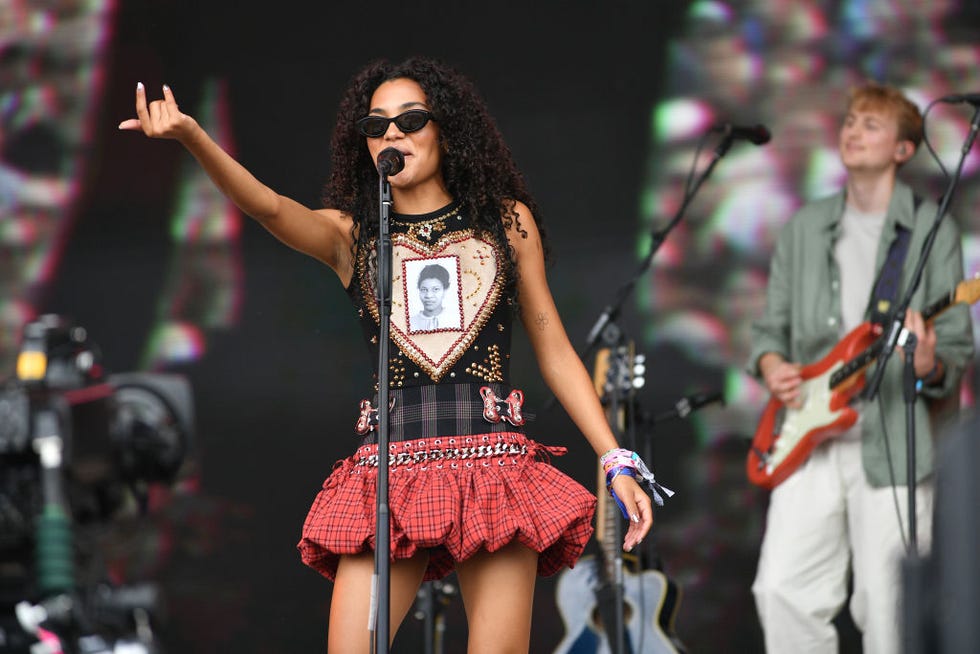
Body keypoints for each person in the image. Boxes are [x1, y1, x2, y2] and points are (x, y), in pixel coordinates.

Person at [119, 56, 664, 653]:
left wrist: (615, 458)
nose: (393, 134)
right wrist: (195, 138)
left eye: (411, 119)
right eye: (377, 126)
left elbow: (554, 349)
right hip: (391, 469)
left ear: (446, 130)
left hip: (494, 464)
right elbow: (269, 207)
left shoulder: (507, 224)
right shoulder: (353, 236)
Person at [747, 81, 973, 653]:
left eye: (871, 124)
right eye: (849, 121)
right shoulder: (803, 227)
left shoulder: (930, 230)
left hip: (893, 440)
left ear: (904, 148)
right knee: (781, 592)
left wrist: (927, 360)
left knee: (891, 607)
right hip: (806, 440)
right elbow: (768, 329)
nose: (853, 131)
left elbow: (952, 350)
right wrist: (774, 365)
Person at [409, 262, 453, 332]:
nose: (428, 296)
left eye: (435, 289)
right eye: (424, 290)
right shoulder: (410, 324)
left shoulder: (454, 321)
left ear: (445, 290)